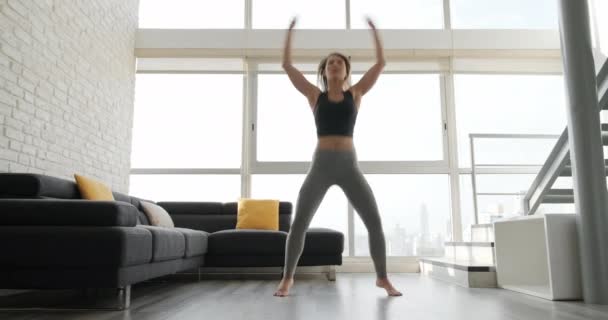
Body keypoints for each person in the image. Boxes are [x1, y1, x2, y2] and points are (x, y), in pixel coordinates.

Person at [273, 17, 402, 297]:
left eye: (339, 63)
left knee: (374, 221)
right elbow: (287, 66)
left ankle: (382, 277)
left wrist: (375, 33)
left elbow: (380, 65)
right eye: (330, 62)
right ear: (325, 71)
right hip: (321, 166)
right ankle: (287, 278)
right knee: (299, 224)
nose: (334, 65)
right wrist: (290, 34)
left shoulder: (355, 94)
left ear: (345, 72)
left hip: (348, 166)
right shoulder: (314, 95)